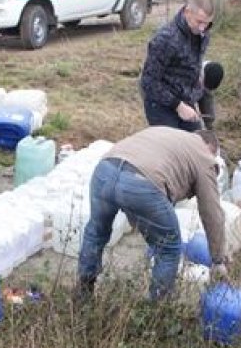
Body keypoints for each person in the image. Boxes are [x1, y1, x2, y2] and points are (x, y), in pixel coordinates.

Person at [77, 127, 228, 301]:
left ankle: (83, 293)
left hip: (104, 171)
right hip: (141, 183)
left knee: (96, 232)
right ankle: (156, 311)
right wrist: (218, 259)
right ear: (210, 148)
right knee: (169, 249)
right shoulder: (204, 155)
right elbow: (212, 213)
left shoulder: (167, 133)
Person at [139, 0, 215, 131]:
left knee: (196, 145)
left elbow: (193, 67)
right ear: (187, 12)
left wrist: (194, 98)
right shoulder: (165, 39)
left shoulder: (203, 34)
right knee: (171, 147)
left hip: (186, 100)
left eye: (207, 24)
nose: (202, 28)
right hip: (161, 104)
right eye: (199, 22)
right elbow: (148, 82)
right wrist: (178, 106)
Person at [197, 60, 224, 129]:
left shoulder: (213, 73)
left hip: (203, 82)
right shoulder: (190, 70)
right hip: (185, 90)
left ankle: (209, 128)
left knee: (209, 115)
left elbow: (208, 96)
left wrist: (209, 120)